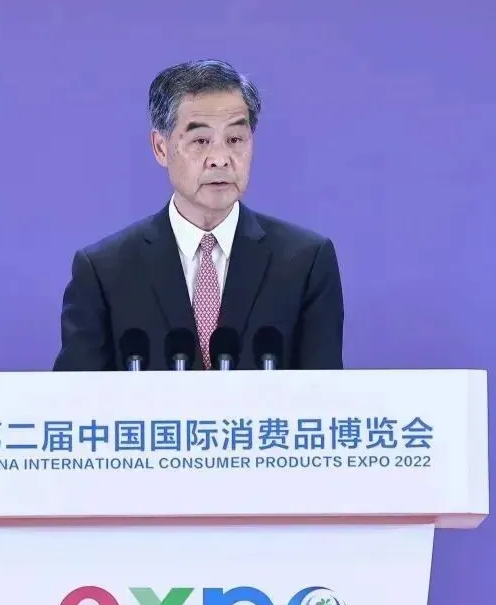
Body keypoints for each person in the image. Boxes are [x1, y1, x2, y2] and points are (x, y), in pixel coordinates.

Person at [52, 59, 344, 371]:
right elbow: (73, 395)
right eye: (201, 141)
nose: (220, 159)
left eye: (235, 139)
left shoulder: (305, 262)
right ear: (161, 148)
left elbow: (326, 392)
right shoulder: (104, 271)